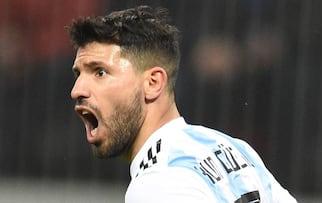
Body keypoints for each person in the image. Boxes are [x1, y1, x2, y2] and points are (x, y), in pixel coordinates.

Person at [67, 5, 297, 202]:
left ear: (153, 83)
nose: (77, 90)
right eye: (79, 75)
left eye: (100, 72)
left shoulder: (159, 184)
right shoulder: (234, 149)